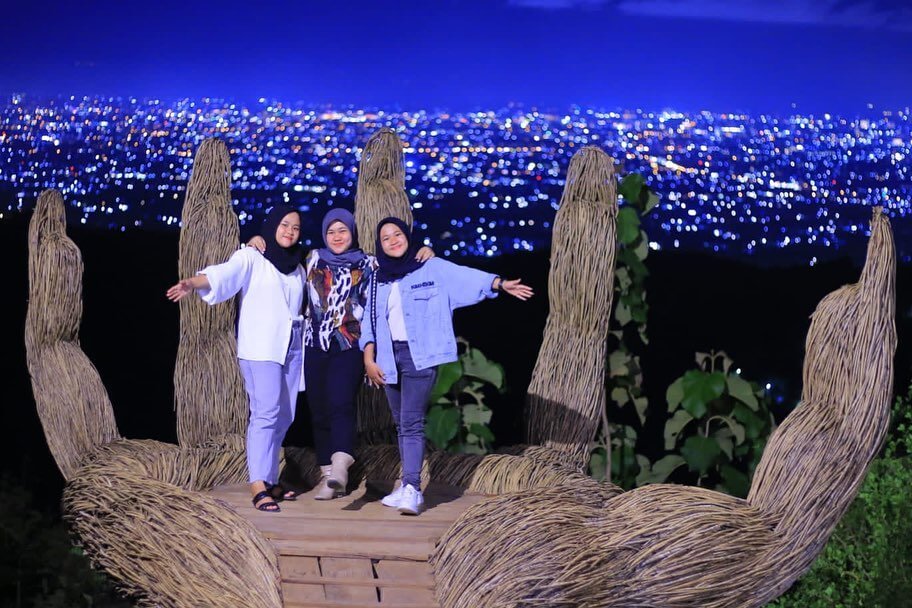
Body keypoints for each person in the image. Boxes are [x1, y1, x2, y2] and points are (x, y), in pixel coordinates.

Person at [247, 209, 433, 500]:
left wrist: (424, 248)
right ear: (324, 235)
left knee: (341, 402)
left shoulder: (370, 263)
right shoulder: (311, 259)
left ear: (352, 233)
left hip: (350, 344)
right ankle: (327, 477)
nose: (337, 236)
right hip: (313, 344)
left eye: (342, 230)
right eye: (331, 231)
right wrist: (257, 239)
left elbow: (401, 263)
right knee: (319, 410)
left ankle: (341, 463)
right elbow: (278, 257)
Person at [360, 217, 533, 515]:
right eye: (386, 238)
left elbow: (463, 277)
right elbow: (370, 321)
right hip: (389, 357)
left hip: (420, 355)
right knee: (401, 423)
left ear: (408, 236)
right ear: (380, 245)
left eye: (397, 234)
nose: (392, 241)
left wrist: (499, 284)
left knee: (412, 421)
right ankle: (406, 484)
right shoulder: (378, 278)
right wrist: (368, 358)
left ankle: (413, 489)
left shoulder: (431, 267)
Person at [166, 206, 305, 513]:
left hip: (291, 347)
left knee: (284, 415)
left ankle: (270, 479)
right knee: (265, 412)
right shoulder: (251, 257)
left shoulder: (297, 267)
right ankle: (257, 484)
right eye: (284, 225)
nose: (289, 232)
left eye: (295, 228)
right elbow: (223, 274)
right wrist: (192, 283)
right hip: (261, 348)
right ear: (272, 225)